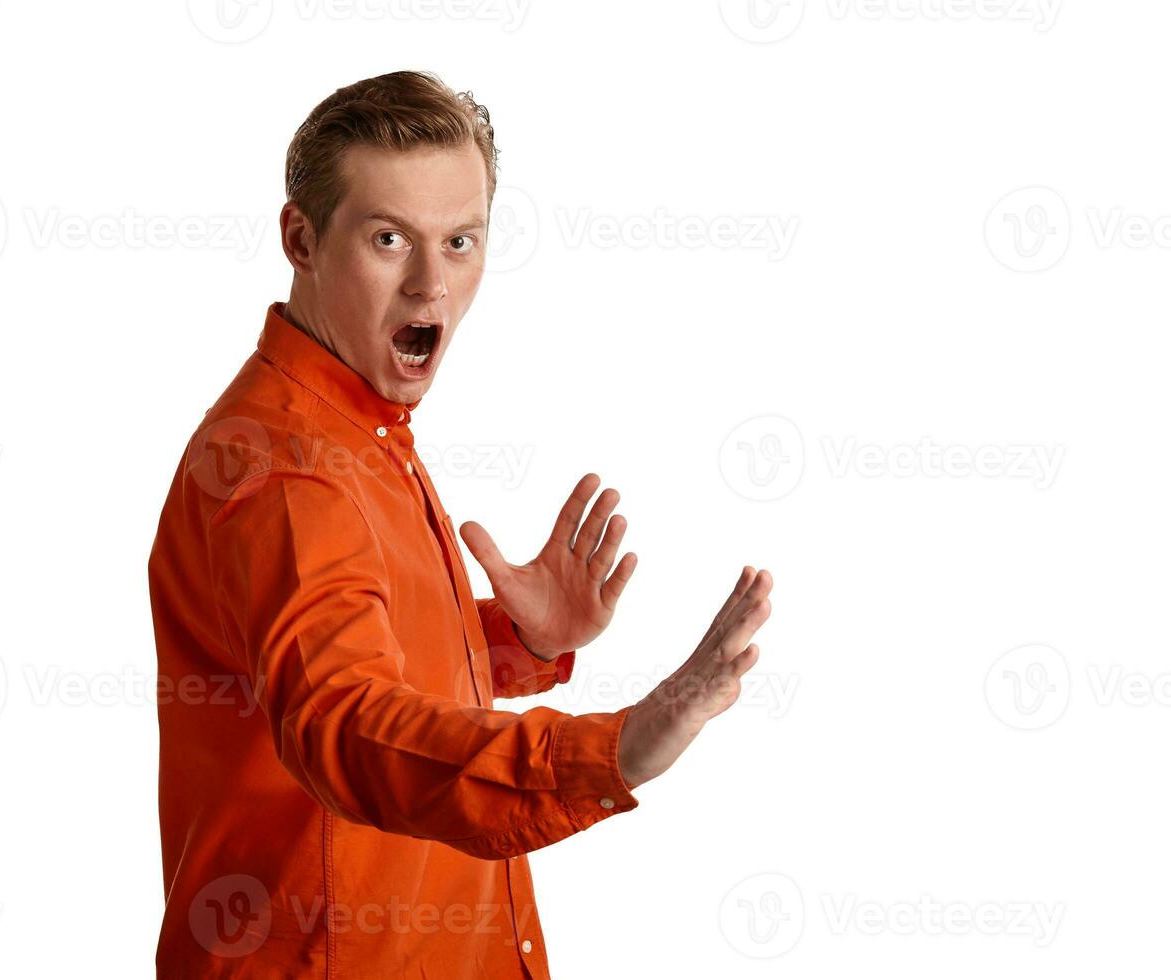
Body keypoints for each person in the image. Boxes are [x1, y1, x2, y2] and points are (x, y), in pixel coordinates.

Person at [147, 69, 774, 978]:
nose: (429, 285)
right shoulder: (288, 469)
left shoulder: (352, 423)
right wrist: (613, 749)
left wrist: (513, 641)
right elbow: (347, 723)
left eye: (461, 240)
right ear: (302, 239)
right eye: (389, 238)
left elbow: (350, 651)